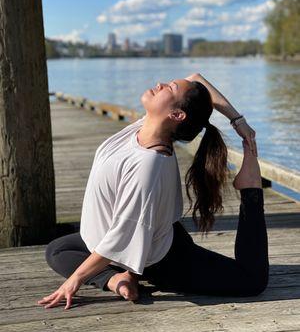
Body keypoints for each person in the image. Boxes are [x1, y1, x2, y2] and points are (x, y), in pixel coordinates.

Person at [37, 72, 269, 310]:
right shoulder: (145, 128)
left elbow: (121, 236)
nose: (159, 84)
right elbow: (197, 79)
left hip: (164, 258)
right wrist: (238, 121)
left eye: (169, 87)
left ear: (176, 115)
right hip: (132, 239)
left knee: (252, 281)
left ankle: (250, 187)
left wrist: (76, 279)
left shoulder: (149, 165)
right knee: (58, 250)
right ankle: (119, 278)